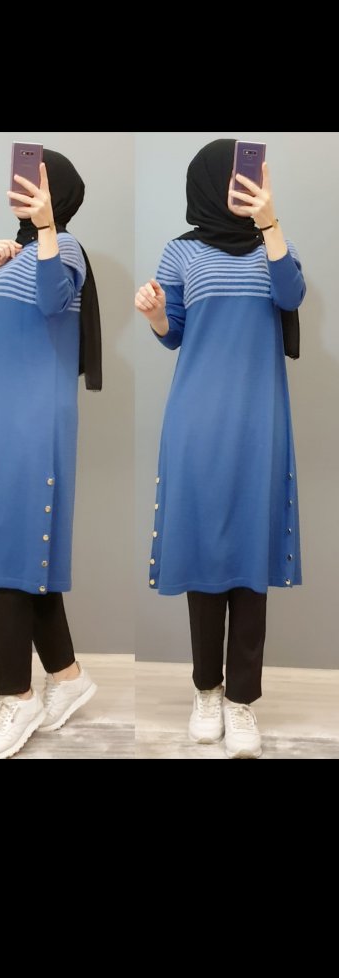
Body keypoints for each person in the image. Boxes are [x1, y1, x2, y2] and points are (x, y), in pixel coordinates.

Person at [135, 139, 306, 759]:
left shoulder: (273, 244)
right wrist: (157, 315)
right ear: (209, 182)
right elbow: (175, 333)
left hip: (259, 419)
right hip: (197, 419)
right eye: (233, 177)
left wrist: (271, 222)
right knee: (206, 556)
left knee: (249, 558)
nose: (243, 186)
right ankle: (207, 691)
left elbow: (291, 297)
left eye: (251, 176)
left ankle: (242, 701)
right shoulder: (180, 251)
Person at [0, 149, 102, 759]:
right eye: (19, 182)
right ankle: (67, 678)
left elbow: (50, 302)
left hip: (35, 420)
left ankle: (15, 697)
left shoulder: (64, 249)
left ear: (56, 192)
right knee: (17, 550)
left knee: (8, 553)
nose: (20, 189)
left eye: (34, 183)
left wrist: (44, 229)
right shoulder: (11, 252)